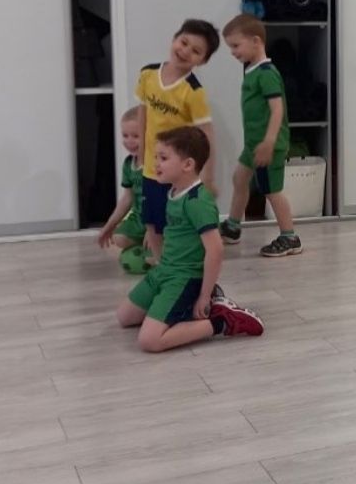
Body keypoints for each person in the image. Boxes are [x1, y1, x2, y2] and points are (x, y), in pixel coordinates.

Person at [115, 126, 263, 352]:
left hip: (184, 278)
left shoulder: (198, 202)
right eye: (156, 157)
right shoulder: (173, 192)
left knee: (149, 341)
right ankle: (185, 308)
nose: (155, 164)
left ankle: (221, 321)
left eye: (163, 158)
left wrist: (203, 295)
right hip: (165, 271)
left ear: (187, 165)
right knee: (124, 317)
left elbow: (216, 250)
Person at [218, 14, 301, 257]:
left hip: (268, 146)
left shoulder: (266, 73)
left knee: (271, 190)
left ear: (256, 41)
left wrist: (269, 142)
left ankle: (290, 237)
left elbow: (277, 110)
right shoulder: (253, 71)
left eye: (236, 45)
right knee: (239, 178)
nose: (233, 52)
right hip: (254, 144)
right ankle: (233, 226)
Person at [136, 19, 220, 259]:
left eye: (195, 51)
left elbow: (206, 134)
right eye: (183, 42)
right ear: (174, 39)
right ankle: (162, 265)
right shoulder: (147, 74)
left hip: (179, 172)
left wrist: (208, 176)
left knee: (176, 224)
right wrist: (141, 153)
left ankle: (180, 264)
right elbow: (142, 113)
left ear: (202, 61)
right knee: (152, 222)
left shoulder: (193, 92)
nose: (185, 51)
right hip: (152, 168)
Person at [97, 106, 146, 270]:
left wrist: (154, 229)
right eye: (125, 136)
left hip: (160, 218)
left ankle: (160, 248)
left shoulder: (156, 164)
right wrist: (109, 225)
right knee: (118, 238)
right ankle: (146, 246)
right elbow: (127, 198)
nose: (129, 141)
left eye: (136, 136)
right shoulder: (128, 164)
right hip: (139, 218)